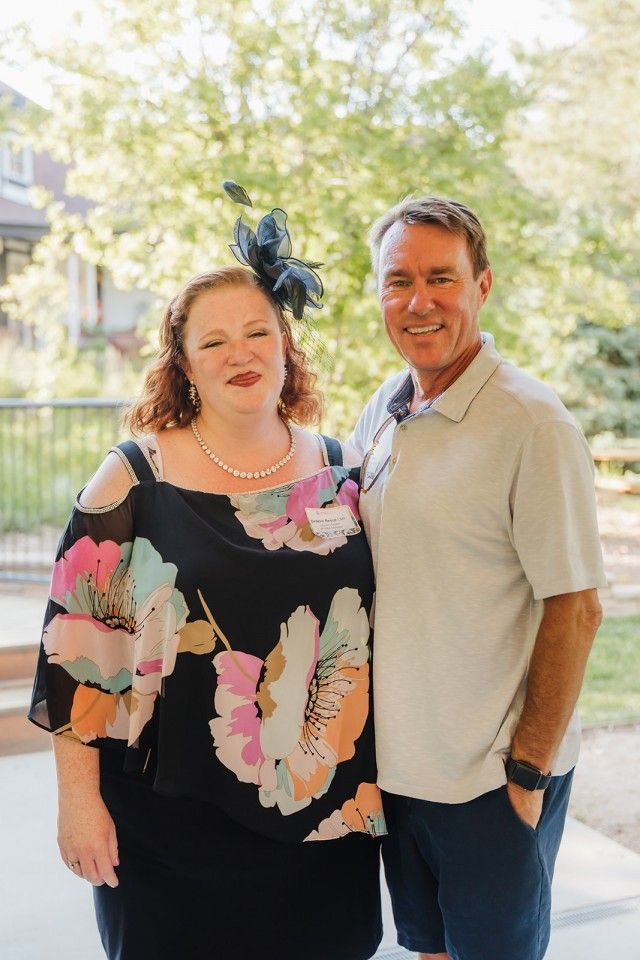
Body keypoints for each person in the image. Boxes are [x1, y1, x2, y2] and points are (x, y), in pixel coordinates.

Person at [29, 184, 385, 960]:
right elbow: (73, 661)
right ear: (184, 364)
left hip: (327, 821)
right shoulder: (131, 482)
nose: (241, 353)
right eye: (214, 341)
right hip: (167, 828)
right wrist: (78, 804)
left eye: (258, 332)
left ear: (287, 346)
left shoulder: (343, 468)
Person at [347, 196, 606, 960]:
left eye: (441, 278)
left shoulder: (533, 424)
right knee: (428, 949)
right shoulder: (383, 413)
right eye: (398, 281)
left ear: (482, 285)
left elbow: (577, 607)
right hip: (399, 773)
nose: (419, 302)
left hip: (490, 785)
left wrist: (524, 773)